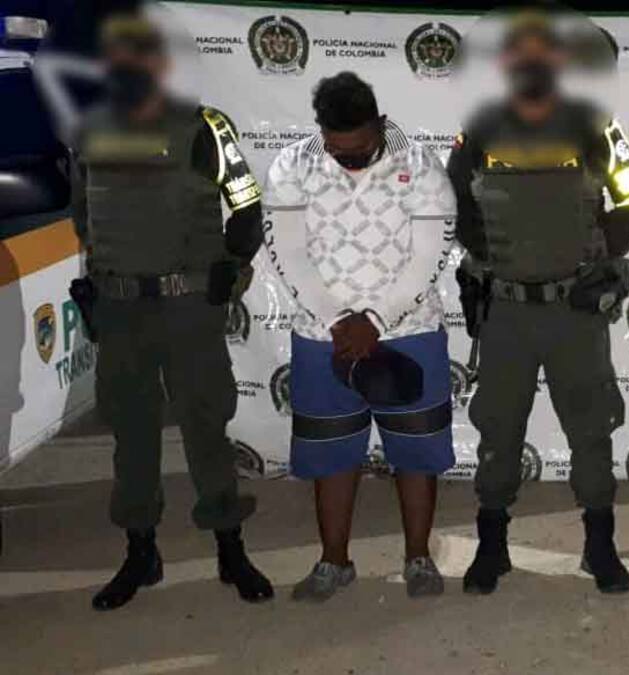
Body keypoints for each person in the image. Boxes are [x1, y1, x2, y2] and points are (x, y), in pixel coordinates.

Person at [70, 14, 273, 611]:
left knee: (206, 427)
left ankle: (230, 547)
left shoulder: (204, 127)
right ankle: (141, 551)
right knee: (131, 434)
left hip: (188, 308)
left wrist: (230, 266)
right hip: (121, 311)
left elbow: (247, 208)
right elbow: (84, 215)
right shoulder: (88, 129)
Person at [447, 11, 629, 595]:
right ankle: (492, 547)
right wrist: (490, 257)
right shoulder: (480, 130)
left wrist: (598, 258)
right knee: (498, 429)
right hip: (506, 312)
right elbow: (456, 201)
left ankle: (599, 546)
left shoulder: (598, 130)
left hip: (574, 311)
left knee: (591, 429)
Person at [264, 71, 457, 602]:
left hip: (409, 331)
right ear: (321, 131)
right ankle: (334, 561)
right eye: (337, 150)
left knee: (415, 456)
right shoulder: (291, 166)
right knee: (331, 457)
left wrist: (375, 319)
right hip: (321, 335)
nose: (349, 160)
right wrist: (337, 320)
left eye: (360, 150)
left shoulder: (422, 166)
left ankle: (418, 558)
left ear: (379, 123)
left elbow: (430, 256)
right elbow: (288, 253)